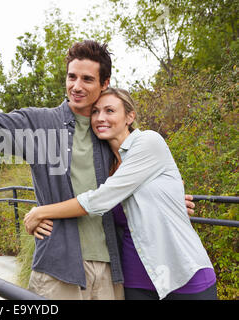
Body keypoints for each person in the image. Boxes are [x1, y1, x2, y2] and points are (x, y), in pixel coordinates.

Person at [0, 40, 196, 300]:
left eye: (87, 79)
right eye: (71, 77)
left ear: (105, 84)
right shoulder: (41, 124)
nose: (76, 86)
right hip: (59, 270)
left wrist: (163, 203)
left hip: (112, 271)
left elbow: (131, 185)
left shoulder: (110, 132)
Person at [24, 88, 217, 300]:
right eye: (95, 112)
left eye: (109, 111)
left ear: (129, 116)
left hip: (182, 273)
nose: (100, 118)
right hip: (135, 281)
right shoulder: (105, 167)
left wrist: (40, 212)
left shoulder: (149, 142)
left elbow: (98, 200)